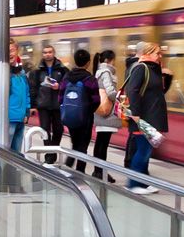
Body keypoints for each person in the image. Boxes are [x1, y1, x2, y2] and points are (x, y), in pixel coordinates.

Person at [121, 40, 168, 195]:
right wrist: (135, 113)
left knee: (145, 151)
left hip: (152, 117)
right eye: (157, 53)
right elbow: (132, 90)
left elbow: (157, 92)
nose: (160, 56)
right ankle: (133, 184)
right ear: (148, 53)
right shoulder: (141, 68)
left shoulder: (154, 69)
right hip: (143, 118)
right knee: (142, 151)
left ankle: (142, 183)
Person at [59, 48, 104, 176]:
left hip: (70, 116)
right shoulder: (89, 79)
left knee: (75, 141)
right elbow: (96, 100)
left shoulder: (66, 77)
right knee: (83, 145)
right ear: (88, 63)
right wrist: (89, 110)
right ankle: (80, 171)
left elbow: (60, 97)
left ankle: (70, 162)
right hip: (85, 117)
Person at [92, 49, 122, 184]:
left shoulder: (99, 71)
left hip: (100, 110)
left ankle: (98, 170)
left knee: (100, 142)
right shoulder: (106, 72)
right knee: (103, 144)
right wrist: (120, 98)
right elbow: (110, 91)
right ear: (109, 60)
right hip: (107, 112)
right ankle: (101, 171)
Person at [31, 44, 66, 149]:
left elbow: (67, 85)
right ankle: (49, 154)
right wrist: (33, 105)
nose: (47, 54)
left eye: (50, 52)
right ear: (42, 54)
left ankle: (53, 149)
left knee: (58, 129)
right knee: (44, 130)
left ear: (54, 53)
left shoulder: (63, 70)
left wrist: (59, 86)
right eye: (45, 52)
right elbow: (33, 88)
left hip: (57, 105)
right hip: (43, 105)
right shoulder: (37, 71)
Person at [6, 48, 32, 153]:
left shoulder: (21, 73)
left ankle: (13, 170)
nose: (10, 53)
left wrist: (26, 112)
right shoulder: (0, 74)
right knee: (6, 155)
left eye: (12, 50)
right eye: (7, 50)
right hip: (8, 120)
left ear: (17, 52)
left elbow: (26, 93)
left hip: (20, 119)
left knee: (16, 155)